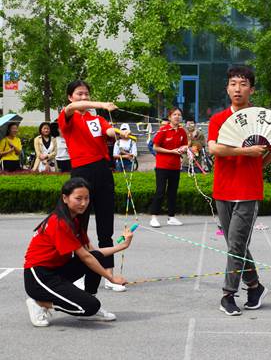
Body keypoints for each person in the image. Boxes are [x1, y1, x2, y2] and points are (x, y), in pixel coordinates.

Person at [207, 65, 271, 316]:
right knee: (235, 244)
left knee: (236, 245)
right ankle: (255, 286)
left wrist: (256, 167)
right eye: (233, 84)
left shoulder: (261, 118)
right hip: (223, 190)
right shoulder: (218, 119)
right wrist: (245, 152)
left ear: (252, 89)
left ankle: (228, 294)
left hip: (248, 191)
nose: (238, 89)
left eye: (243, 84)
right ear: (227, 88)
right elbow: (214, 149)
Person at [23, 178, 133, 327]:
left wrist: (123, 246)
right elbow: (85, 257)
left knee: (96, 257)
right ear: (65, 198)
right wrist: (110, 277)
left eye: (86, 198)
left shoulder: (74, 220)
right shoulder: (59, 222)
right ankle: (40, 302)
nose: (83, 203)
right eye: (78, 198)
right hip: (39, 278)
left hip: (57, 271)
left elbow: (91, 252)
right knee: (91, 306)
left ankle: (86, 302)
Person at [58, 79, 130, 293]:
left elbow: (107, 132)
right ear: (71, 97)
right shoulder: (67, 116)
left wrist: (118, 133)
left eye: (86, 94)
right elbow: (72, 109)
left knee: (105, 225)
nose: (84, 98)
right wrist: (102, 104)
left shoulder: (96, 119)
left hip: (102, 171)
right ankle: (77, 274)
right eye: (79, 94)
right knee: (78, 227)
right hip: (81, 174)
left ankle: (108, 274)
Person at [149, 108, 188, 228]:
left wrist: (184, 148)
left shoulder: (182, 131)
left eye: (179, 115)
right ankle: (154, 217)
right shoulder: (163, 130)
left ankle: (171, 217)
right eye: (175, 114)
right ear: (170, 117)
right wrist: (171, 152)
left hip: (175, 166)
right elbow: (155, 147)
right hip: (162, 166)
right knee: (160, 192)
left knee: (172, 192)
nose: (177, 117)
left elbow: (185, 144)